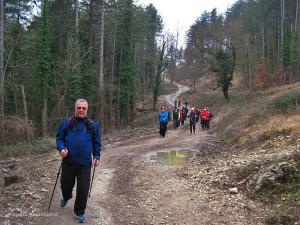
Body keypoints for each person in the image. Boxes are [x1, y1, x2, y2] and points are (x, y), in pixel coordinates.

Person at [56, 99, 102, 223]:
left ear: (87, 109)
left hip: (85, 164)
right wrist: (61, 149)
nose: (81, 110)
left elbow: (97, 143)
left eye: (84, 108)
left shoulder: (93, 125)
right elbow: (59, 138)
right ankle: (67, 196)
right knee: (65, 185)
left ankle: (79, 212)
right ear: (75, 109)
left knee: (83, 189)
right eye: (79, 107)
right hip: (68, 162)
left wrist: (97, 157)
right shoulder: (67, 123)